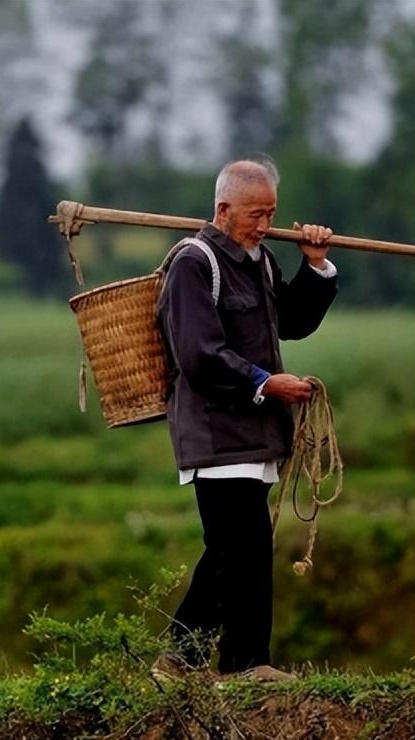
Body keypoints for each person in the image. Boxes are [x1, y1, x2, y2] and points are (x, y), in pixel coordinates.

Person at [154, 157, 337, 681]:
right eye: (255, 215)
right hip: (215, 432)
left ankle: (185, 660)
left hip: (255, 433)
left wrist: (316, 265)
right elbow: (198, 354)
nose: (264, 225)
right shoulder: (194, 263)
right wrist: (265, 381)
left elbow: (293, 323)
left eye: (271, 214)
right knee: (244, 547)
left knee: (232, 551)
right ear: (223, 209)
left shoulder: (259, 260)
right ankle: (244, 664)